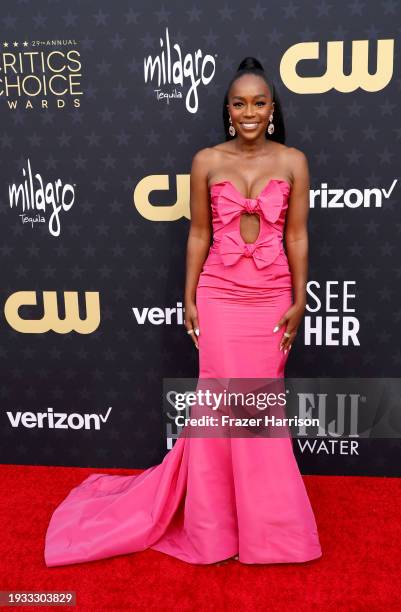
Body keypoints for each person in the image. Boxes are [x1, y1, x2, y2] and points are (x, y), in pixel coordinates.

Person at [44, 56, 322, 567]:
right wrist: (189, 296)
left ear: (273, 109)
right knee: (216, 409)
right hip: (219, 294)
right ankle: (214, 530)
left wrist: (300, 299)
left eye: (260, 103)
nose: (250, 112)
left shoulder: (294, 161)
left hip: (270, 296)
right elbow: (198, 233)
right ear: (228, 110)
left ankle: (271, 533)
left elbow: (297, 235)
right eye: (240, 103)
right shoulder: (206, 161)